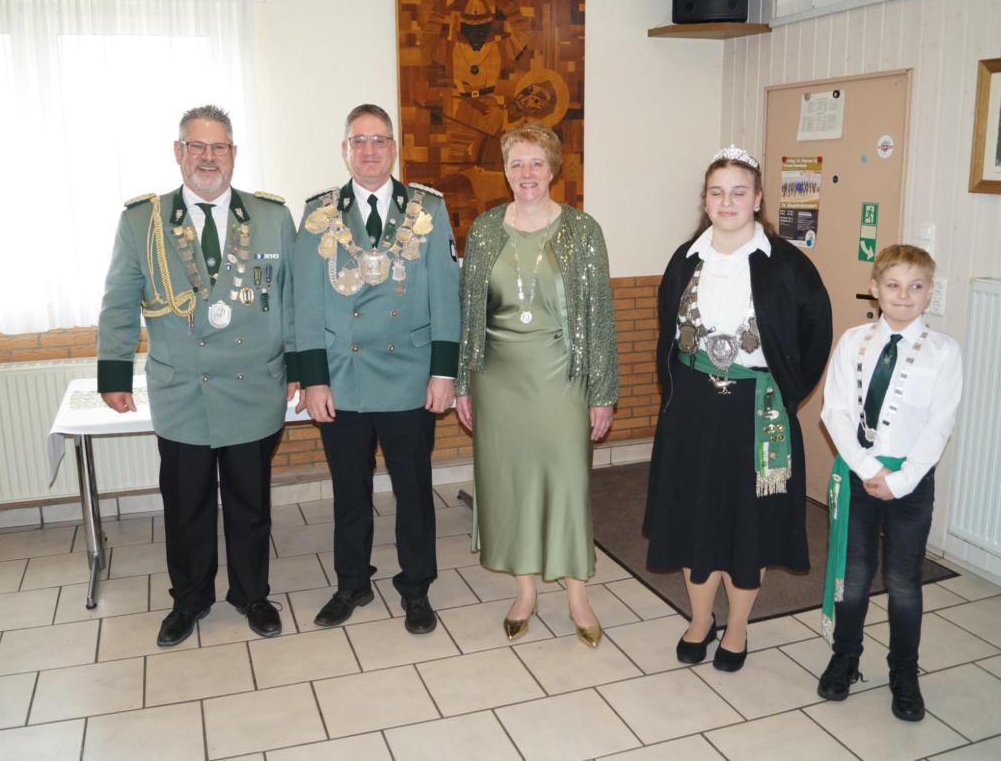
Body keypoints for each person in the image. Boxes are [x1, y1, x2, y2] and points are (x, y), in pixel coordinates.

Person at [98, 105, 300, 646]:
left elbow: (292, 299)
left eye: (219, 147)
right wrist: (114, 373)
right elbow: (119, 300)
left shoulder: (271, 216)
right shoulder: (142, 221)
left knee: (250, 505)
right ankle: (189, 600)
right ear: (178, 152)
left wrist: (300, 366)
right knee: (186, 505)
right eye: (197, 146)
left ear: (234, 154)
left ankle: (252, 595)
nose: (208, 157)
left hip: (253, 386)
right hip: (182, 390)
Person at [642, 146, 832, 672]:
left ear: (758, 199)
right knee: (694, 516)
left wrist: (787, 390)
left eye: (739, 192)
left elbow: (816, 333)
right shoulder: (685, 259)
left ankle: (738, 627)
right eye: (717, 192)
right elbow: (667, 328)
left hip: (758, 411)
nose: (727, 202)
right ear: (705, 200)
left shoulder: (788, 266)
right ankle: (700, 620)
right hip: (692, 410)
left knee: (749, 522)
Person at [290, 104, 460, 634]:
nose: (369, 150)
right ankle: (351, 583)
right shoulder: (319, 212)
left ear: (394, 148)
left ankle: (416, 587)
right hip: (343, 376)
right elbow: (305, 303)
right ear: (345, 150)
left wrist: (444, 373)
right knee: (349, 490)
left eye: (379, 140)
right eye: (359, 141)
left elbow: (446, 294)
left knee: (414, 490)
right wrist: (314, 378)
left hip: (410, 375)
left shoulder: (428, 208)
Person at [455, 122, 618, 648]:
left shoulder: (583, 230)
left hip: (562, 378)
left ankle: (577, 596)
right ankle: (524, 592)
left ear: (552, 169)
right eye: (516, 163)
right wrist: (463, 383)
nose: (526, 173)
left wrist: (602, 391)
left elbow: (600, 315)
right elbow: (469, 313)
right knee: (510, 483)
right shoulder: (484, 230)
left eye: (536, 163)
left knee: (567, 482)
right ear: (505, 170)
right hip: (497, 380)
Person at [817, 244, 963, 721]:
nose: (904, 295)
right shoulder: (853, 341)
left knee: (903, 580)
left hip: (911, 482)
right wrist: (867, 469)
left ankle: (904, 670)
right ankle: (845, 656)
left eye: (915, 286)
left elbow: (939, 425)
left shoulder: (944, 352)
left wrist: (901, 480)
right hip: (859, 474)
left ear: (930, 292)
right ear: (875, 288)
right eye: (894, 285)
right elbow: (835, 412)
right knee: (855, 574)